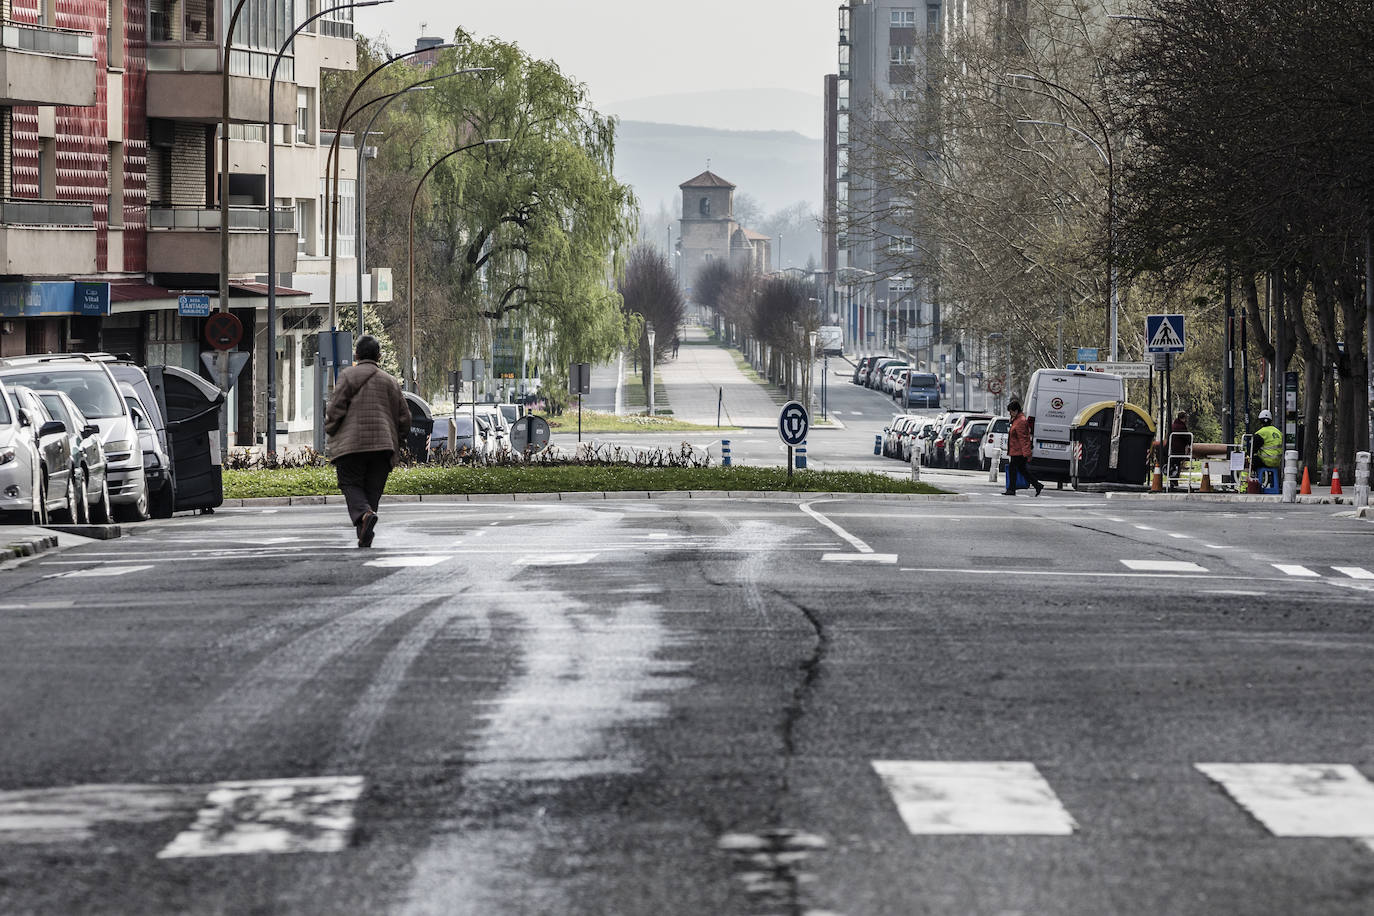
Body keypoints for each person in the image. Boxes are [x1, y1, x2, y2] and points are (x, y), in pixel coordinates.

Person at [325, 335, 411, 547]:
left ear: (356, 354)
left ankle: (364, 517)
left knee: (350, 483)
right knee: (372, 490)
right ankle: (365, 529)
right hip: (383, 446)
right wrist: (397, 439)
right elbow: (405, 417)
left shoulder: (348, 376)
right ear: (379, 356)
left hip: (351, 446)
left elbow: (335, 409)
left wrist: (331, 429)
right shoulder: (391, 381)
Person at [1003, 399, 1043, 496]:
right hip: (1017, 450)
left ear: (1016, 411)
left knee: (1013, 469)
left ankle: (1011, 489)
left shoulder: (1020, 421)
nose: (1010, 414)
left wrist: (1027, 453)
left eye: (1011, 412)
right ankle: (1037, 485)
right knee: (1022, 470)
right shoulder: (1017, 420)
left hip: (1019, 451)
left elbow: (1023, 438)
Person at [1168, 411, 1191, 482]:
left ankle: (1172, 480)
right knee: (1177, 464)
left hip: (1171, 448)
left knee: (1173, 464)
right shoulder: (1181, 426)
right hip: (1178, 448)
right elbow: (1187, 437)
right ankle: (1174, 480)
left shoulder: (1173, 425)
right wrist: (1190, 443)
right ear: (1183, 418)